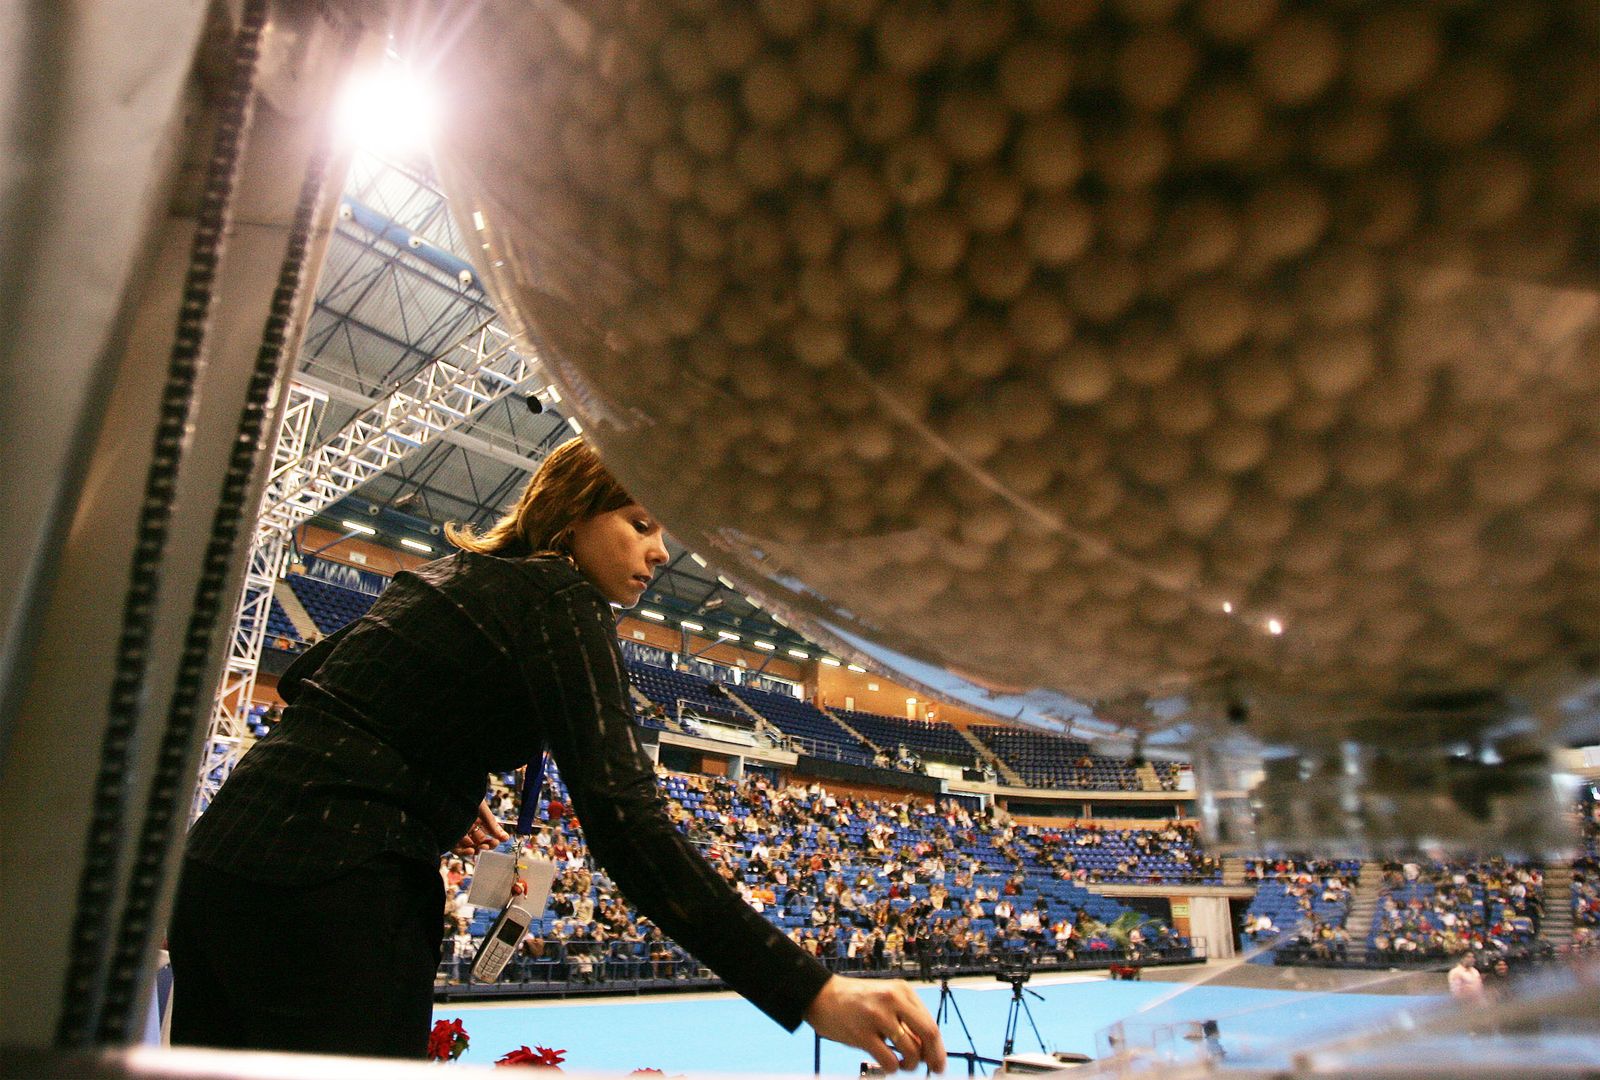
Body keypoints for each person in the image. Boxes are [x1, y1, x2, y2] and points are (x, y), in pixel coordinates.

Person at [168, 439, 944, 1071]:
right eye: (640, 524)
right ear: (573, 517)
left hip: (218, 872)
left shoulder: (455, 574)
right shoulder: (561, 598)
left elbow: (306, 677)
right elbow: (627, 825)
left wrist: (426, 766)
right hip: (329, 891)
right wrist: (813, 991)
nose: (661, 551)